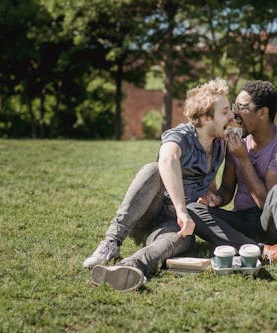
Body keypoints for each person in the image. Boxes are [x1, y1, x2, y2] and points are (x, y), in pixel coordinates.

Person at [85, 78, 234, 291]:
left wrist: (211, 196)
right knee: (153, 170)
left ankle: (129, 267)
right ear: (205, 117)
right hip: (150, 209)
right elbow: (167, 160)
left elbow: (207, 179)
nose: (231, 115)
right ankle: (111, 242)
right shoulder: (181, 135)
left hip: (175, 224)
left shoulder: (220, 144)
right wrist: (182, 211)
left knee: (182, 240)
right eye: (225, 111)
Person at [187, 80, 277, 287]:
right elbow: (228, 189)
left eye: (242, 108)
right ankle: (264, 250)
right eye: (234, 107)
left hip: (271, 223)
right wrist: (216, 199)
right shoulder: (238, 140)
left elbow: (267, 203)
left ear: (263, 113)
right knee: (191, 210)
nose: (234, 114)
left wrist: (244, 159)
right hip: (243, 220)